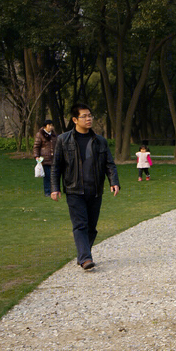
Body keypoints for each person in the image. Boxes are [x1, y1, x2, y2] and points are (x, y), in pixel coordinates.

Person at [50, 104, 120, 271]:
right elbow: (56, 166)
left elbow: (109, 164)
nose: (89, 119)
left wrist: (114, 181)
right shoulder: (63, 139)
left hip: (95, 189)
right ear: (75, 120)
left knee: (91, 227)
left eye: (90, 116)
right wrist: (54, 187)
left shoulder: (100, 141)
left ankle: (83, 254)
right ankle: (85, 258)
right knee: (80, 224)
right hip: (74, 190)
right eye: (84, 116)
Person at [33, 120, 57, 197]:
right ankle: (47, 191)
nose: (51, 127)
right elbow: (36, 146)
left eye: (51, 125)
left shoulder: (54, 134)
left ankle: (54, 190)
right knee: (47, 176)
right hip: (44, 158)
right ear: (45, 126)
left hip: (53, 158)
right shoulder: (40, 134)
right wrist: (36, 156)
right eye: (49, 125)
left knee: (53, 175)